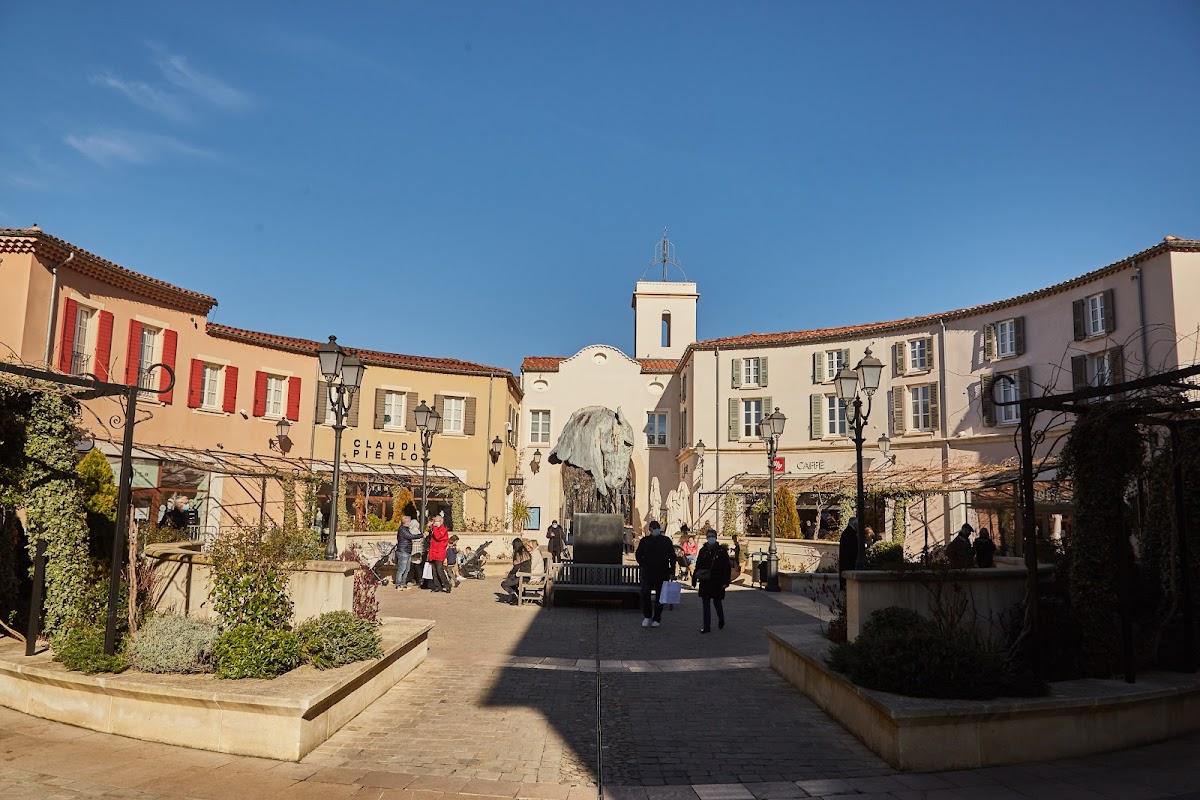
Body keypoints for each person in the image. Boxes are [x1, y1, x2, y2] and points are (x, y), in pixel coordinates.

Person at [635, 520, 676, 628]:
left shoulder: (666, 541)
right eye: (654, 529)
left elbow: (672, 556)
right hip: (648, 572)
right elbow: (638, 554)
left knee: (660, 597)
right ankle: (647, 616)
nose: (656, 530)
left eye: (657, 528)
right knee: (646, 594)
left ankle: (657, 618)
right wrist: (643, 564)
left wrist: (672, 571)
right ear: (650, 530)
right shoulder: (645, 541)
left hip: (662, 573)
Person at [692, 529, 733, 633]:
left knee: (717, 602)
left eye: (712, 536)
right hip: (705, 581)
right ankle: (706, 627)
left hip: (717, 581)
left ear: (715, 537)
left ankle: (721, 619)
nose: (711, 538)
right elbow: (698, 565)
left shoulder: (721, 551)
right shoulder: (703, 550)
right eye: (709, 536)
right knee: (705, 603)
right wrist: (694, 578)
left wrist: (725, 582)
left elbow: (726, 567)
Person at [394, 515, 423, 590]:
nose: (410, 522)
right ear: (406, 522)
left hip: (408, 551)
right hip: (403, 551)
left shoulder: (407, 529)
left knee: (407, 569)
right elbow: (410, 536)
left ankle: (403, 583)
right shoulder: (402, 529)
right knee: (401, 569)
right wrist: (422, 535)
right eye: (409, 521)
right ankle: (398, 584)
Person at [501, 537, 531, 604]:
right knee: (511, 579)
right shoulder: (525, 552)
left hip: (523, 577)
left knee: (504, 583)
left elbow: (516, 567)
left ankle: (514, 595)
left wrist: (509, 574)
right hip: (526, 576)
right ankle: (516, 597)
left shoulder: (519, 554)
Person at [427, 513, 452, 593]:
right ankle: (438, 586)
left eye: (436, 521)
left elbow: (438, 537)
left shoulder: (443, 529)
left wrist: (434, 527)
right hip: (433, 552)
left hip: (439, 552)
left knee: (439, 570)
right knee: (434, 571)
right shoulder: (435, 529)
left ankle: (447, 585)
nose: (435, 522)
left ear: (441, 521)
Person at [838, 516, 859, 589]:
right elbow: (852, 550)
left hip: (846, 564)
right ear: (855, 524)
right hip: (849, 564)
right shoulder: (850, 534)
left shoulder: (847, 532)